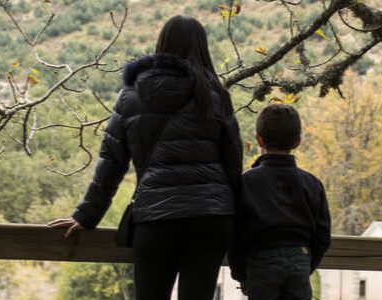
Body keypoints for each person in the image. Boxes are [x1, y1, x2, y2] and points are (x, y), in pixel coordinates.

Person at [47, 15, 244, 300]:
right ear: (202, 48)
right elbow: (233, 163)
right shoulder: (214, 95)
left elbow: (111, 162)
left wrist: (87, 216)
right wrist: (237, 217)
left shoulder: (131, 95)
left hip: (156, 218)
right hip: (211, 218)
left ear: (162, 45)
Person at [230, 104, 331, 300]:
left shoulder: (245, 182)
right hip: (299, 257)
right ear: (298, 142)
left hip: (260, 258)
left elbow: (235, 232)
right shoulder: (311, 184)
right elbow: (322, 234)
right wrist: (307, 263)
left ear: (259, 140)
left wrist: (240, 273)